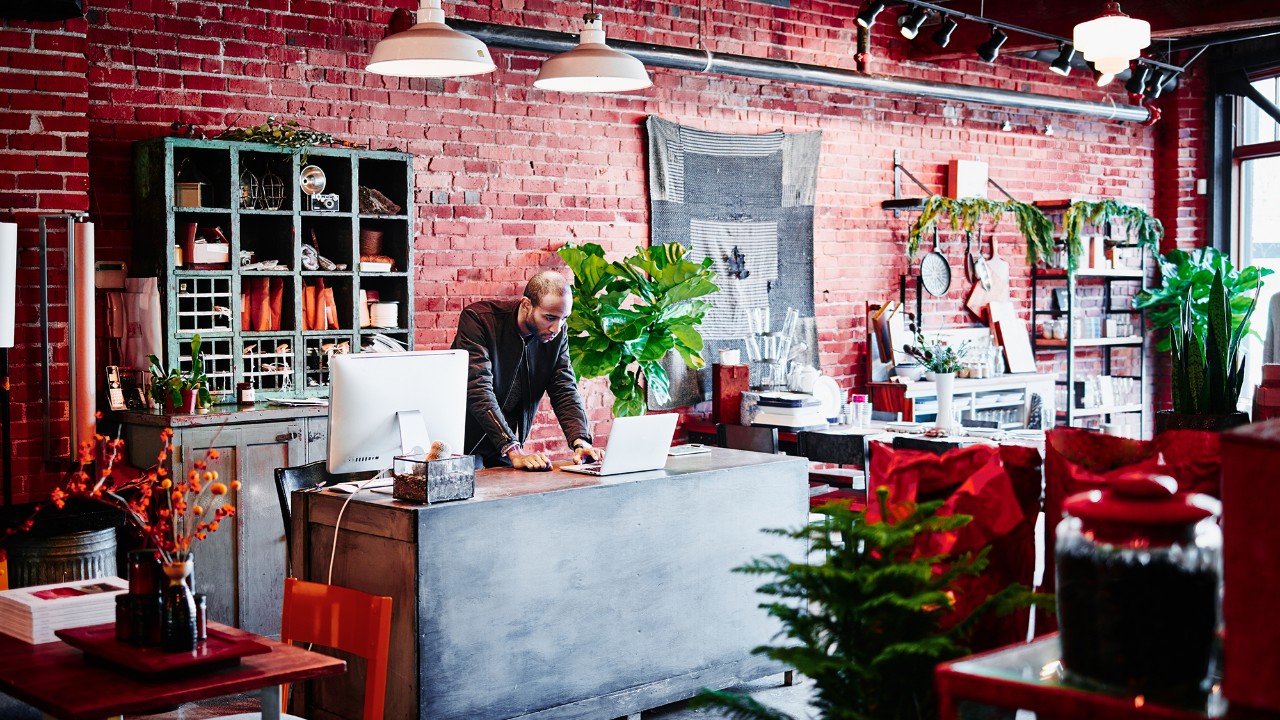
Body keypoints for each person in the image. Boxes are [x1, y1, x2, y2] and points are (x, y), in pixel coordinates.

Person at [451, 271, 605, 470]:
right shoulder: (480, 320)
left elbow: (564, 388)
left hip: (504, 445)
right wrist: (513, 449)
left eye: (564, 318)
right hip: (464, 442)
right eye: (549, 317)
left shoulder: (556, 334)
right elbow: (478, 389)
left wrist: (581, 442)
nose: (556, 328)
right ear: (526, 305)